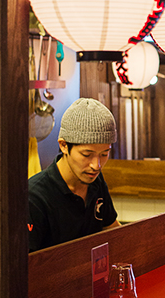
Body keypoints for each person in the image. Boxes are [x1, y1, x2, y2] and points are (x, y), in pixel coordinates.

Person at [28, 98, 121, 251]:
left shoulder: (95, 181)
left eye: (104, 154)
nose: (96, 165)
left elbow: (113, 230)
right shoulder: (35, 196)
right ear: (64, 145)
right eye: (87, 154)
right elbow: (27, 266)